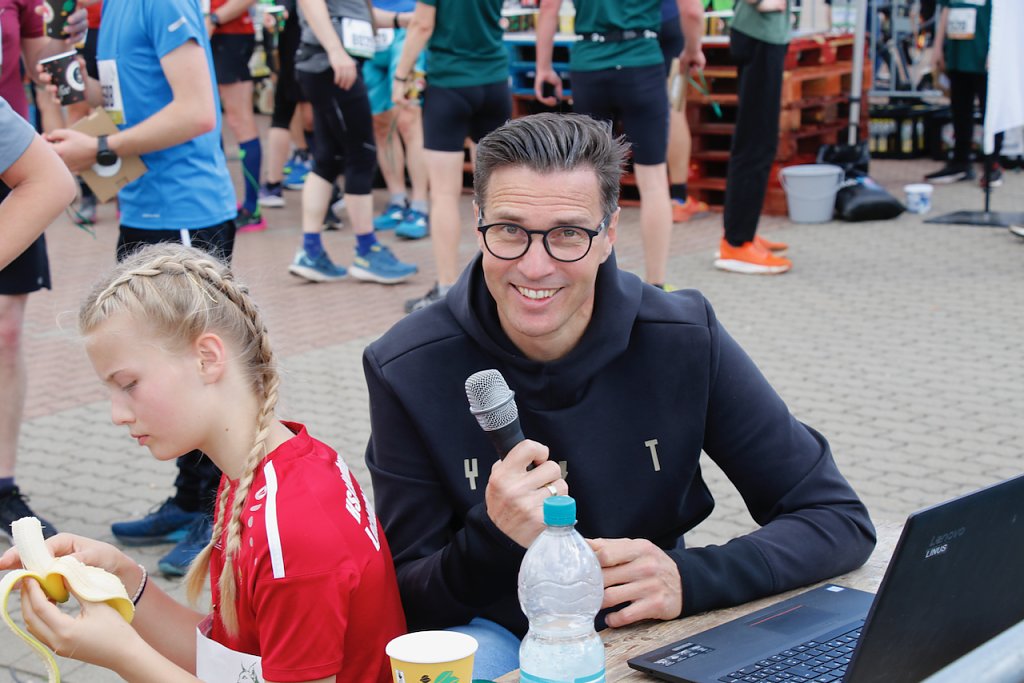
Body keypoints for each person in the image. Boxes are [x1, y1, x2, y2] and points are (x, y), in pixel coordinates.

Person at [363, 113, 876, 679]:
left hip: (649, 626)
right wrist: (492, 534)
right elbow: (405, 598)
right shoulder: (406, 364)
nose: (535, 265)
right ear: (478, 223)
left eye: (568, 234)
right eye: (509, 230)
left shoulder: (683, 336)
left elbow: (836, 518)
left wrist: (690, 578)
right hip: (498, 631)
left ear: (609, 235)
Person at [1, 243, 406, 682]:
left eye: (129, 384)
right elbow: (235, 665)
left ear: (207, 358)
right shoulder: (268, 470)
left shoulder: (291, 527)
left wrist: (123, 655)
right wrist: (124, 578)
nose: (116, 414)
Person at [43, 0, 238, 576]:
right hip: (144, 208)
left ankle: (218, 513)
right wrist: (70, 75)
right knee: (161, 367)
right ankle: (189, 500)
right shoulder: (111, 9)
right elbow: (123, 101)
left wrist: (100, 149)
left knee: (195, 369)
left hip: (186, 211)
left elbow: (197, 111)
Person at [534, 0, 705, 290]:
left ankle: (591, 282)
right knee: (653, 181)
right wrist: (692, 50)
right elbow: (692, 11)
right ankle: (656, 285)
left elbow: (549, 8)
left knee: (589, 179)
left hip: (590, 62)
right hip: (642, 61)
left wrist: (544, 67)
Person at [0, 0, 88, 542]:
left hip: (13, 168)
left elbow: (44, 67)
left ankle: (3, 483)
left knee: (6, 335)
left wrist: (66, 38)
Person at [286, 0, 418, 285]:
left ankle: (311, 251)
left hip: (329, 63)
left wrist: (402, 20)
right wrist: (335, 51)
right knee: (361, 154)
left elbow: (360, 12)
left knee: (328, 159)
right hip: (332, 64)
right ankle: (367, 251)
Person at [393, 0, 512, 313]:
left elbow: (422, 24)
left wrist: (401, 75)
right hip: (494, 81)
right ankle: (495, 287)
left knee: (444, 194)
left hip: (449, 84)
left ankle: (446, 288)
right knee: (496, 194)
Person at [712, 0, 792, 275]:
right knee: (756, 141)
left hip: (764, 34)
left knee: (758, 138)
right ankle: (737, 242)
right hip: (760, 34)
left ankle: (742, 232)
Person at [365, 0, 430, 240]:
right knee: (380, 124)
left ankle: (420, 207)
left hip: (407, 26)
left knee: (408, 119)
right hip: (367, 30)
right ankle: (397, 200)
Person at [926, 0, 1002, 188]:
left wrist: (997, 48)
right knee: (960, 111)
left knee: (990, 113)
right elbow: (946, 10)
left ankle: (993, 164)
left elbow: (1005, 14)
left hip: (985, 55)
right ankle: (960, 162)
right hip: (958, 54)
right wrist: (937, 47)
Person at [207, 0, 266, 232]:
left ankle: (252, 209)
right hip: (201, 33)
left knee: (239, 120)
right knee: (209, 120)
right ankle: (220, 204)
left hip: (230, 34)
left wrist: (214, 18)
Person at [660, 0, 709, 223]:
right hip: (668, 19)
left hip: (622, 27)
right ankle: (678, 198)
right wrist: (694, 48)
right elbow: (692, 10)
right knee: (674, 107)